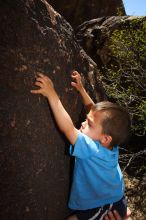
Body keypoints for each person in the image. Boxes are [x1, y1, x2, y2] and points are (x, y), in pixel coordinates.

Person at [31, 71, 130, 220]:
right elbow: (93, 110)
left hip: (105, 205)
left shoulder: (92, 149)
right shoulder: (110, 144)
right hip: (115, 196)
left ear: (105, 139)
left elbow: (68, 129)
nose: (82, 124)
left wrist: (52, 94)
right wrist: (81, 90)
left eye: (88, 124)